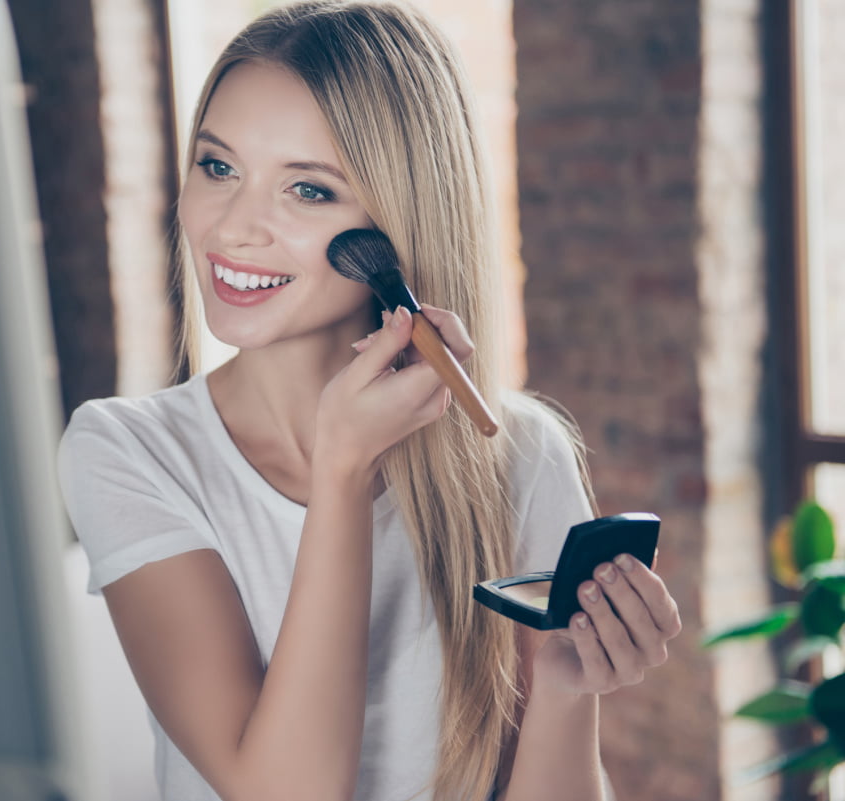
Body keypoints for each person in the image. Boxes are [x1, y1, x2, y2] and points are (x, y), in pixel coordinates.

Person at [58, 2, 682, 799]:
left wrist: (568, 681)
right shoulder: (127, 452)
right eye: (218, 167)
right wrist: (343, 470)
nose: (236, 227)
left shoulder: (521, 451)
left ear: (399, 226)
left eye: (309, 191)